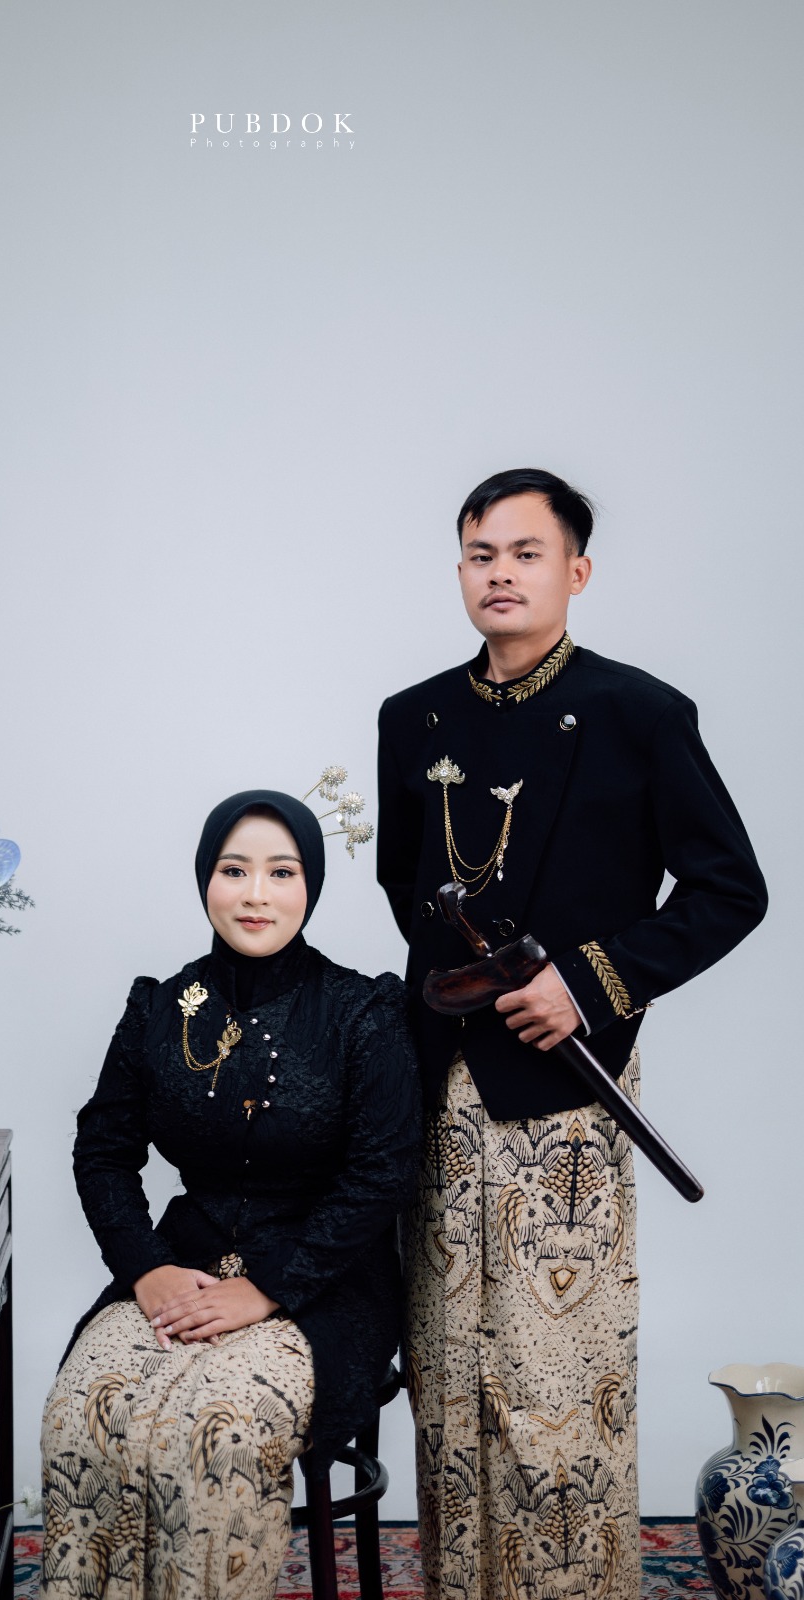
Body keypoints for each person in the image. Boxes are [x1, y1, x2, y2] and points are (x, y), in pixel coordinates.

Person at [376, 468, 767, 1600]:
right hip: (439, 1087)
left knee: (556, 1388)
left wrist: (590, 985)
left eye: (525, 552)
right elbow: (402, 884)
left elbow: (728, 890)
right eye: (479, 554)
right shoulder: (412, 717)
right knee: (450, 1381)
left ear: (575, 571)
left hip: (568, 1099)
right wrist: (465, 981)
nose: (499, 573)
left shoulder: (640, 713)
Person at [40, 789, 421, 1600]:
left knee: (218, 1428)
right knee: (84, 1408)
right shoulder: (160, 1007)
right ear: (204, 879)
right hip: (182, 1269)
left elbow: (383, 1174)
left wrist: (270, 1290)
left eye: (281, 872)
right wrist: (145, 1269)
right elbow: (103, 1152)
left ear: (311, 884)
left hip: (324, 1289)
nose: (256, 895)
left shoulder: (362, 1012)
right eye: (233, 870)